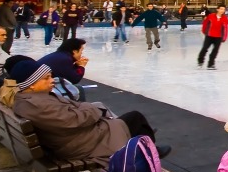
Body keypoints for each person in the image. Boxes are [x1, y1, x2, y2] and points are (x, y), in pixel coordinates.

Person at [10, 60, 169, 163]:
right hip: (80, 144)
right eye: (45, 78)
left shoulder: (33, 99)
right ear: (30, 84)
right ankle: (150, 154)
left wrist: (87, 108)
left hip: (71, 138)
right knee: (135, 118)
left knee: (129, 120)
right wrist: (91, 108)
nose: (52, 80)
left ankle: (146, 145)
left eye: (50, 76)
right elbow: (74, 120)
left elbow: (71, 112)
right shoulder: (36, 105)